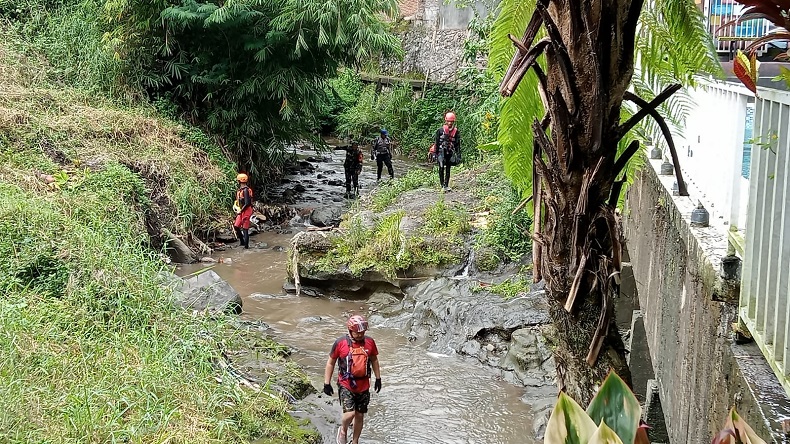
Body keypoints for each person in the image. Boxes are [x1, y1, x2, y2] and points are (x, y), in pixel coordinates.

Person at [323, 315, 381, 444]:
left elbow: (374, 360)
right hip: (346, 383)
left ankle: (355, 441)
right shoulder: (340, 343)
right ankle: (343, 430)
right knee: (350, 414)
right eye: (357, 333)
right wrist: (327, 383)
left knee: (360, 415)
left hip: (364, 385)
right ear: (350, 330)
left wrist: (378, 378)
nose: (360, 335)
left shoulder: (370, 342)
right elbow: (331, 362)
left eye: (362, 333)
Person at [434, 112, 461, 191]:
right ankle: (442, 185)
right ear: (445, 121)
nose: (450, 123)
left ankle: (446, 185)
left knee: (448, 168)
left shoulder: (456, 132)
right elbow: (437, 142)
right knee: (441, 167)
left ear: (453, 122)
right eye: (448, 121)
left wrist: (459, 156)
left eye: (451, 121)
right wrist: (435, 154)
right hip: (440, 152)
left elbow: (457, 145)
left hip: (449, 152)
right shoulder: (440, 130)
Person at [233, 173, 253, 249]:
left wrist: (241, 211)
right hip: (241, 210)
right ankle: (242, 242)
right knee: (236, 226)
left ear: (239, 181)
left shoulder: (245, 191)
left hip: (246, 211)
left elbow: (247, 203)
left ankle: (246, 247)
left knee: (245, 229)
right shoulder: (240, 190)